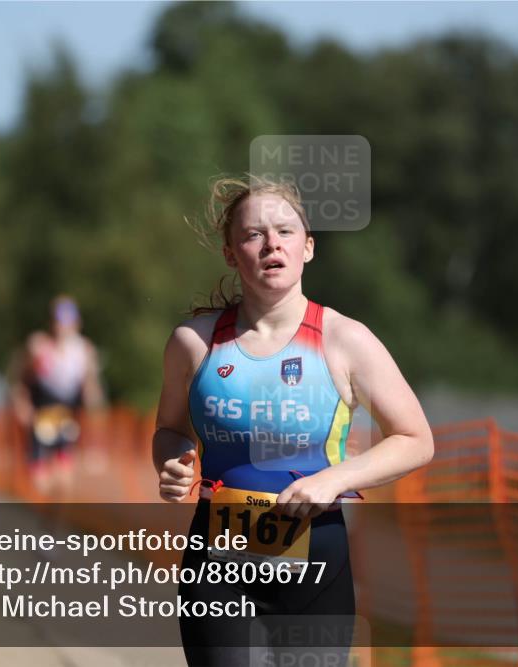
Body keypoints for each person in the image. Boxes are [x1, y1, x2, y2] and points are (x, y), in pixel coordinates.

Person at [152, 176, 434, 666]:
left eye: (285, 231)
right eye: (253, 234)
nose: (271, 243)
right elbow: (169, 429)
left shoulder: (345, 340)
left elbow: (415, 439)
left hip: (316, 561)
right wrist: (173, 460)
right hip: (218, 561)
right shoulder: (194, 342)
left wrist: (333, 480)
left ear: (308, 247)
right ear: (230, 253)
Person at [13, 295, 103, 497]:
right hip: (40, 415)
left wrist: (94, 436)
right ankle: (39, 519)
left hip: (66, 415)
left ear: (76, 324)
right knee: (39, 480)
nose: (62, 327)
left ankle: (54, 522)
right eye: (58, 322)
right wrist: (22, 403)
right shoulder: (38, 346)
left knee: (64, 479)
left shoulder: (84, 350)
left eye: (66, 322)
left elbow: (91, 389)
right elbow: (21, 381)